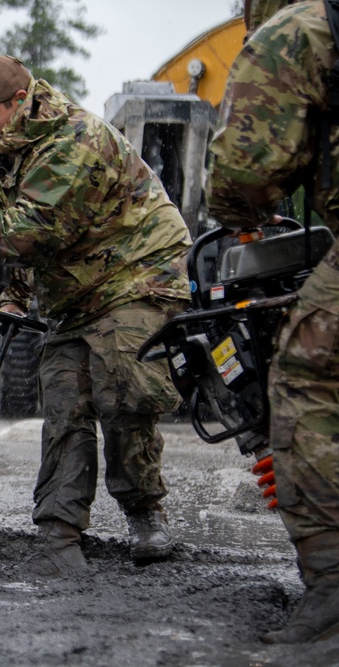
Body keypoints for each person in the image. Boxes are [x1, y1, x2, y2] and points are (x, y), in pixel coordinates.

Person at [0, 56, 192, 576]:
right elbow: (30, 249)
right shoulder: (15, 154)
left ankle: (145, 513)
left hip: (137, 274)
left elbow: (35, 228)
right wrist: (15, 297)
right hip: (77, 291)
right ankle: (59, 532)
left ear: (18, 102)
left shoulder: (75, 137)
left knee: (123, 393)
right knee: (65, 400)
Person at [207, 0, 339, 644]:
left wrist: (239, 214)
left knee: (307, 373)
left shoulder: (295, 30)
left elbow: (243, 170)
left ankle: (333, 587)